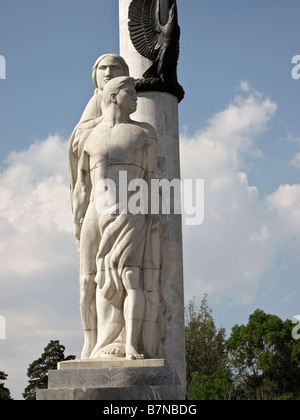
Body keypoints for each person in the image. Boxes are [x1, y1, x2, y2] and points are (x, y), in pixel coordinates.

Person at [72, 76, 161, 360]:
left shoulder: (144, 133)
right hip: (96, 214)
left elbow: (150, 178)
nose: (136, 98)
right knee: (99, 278)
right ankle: (99, 343)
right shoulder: (89, 137)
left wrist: (155, 214)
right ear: (112, 96)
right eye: (130, 93)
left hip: (130, 209)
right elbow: (82, 184)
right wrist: (78, 219)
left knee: (130, 276)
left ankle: (131, 343)